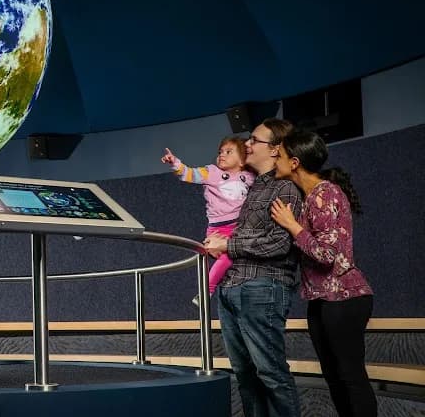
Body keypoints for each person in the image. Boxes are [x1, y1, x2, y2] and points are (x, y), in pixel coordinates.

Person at [270, 130, 376, 417]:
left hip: (344, 297)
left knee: (350, 377)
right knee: (334, 377)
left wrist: (293, 226)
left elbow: (327, 256)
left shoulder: (325, 193)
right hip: (321, 299)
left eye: (277, 155)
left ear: (294, 162)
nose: (273, 158)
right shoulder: (309, 198)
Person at [204, 118, 302, 417]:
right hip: (232, 289)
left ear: (275, 150)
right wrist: (219, 243)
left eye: (254, 141)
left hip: (261, 289)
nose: (247, 144)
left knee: (270, 373)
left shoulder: (284, 188)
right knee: (245, 376)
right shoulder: (253, 187)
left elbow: (279, 244)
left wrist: (227, 246)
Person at [161, 136, 254, 303]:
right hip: (219, 229)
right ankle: (206, 290)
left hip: (238, 227)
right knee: (229, 257)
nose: (222, 155)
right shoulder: (212, 172)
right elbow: (189, 174)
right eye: (220, 152)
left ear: (242, 160)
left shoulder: (248, 176)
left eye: (228, 151)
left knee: (233, 258)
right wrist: (174, 163)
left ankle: (226, 289)